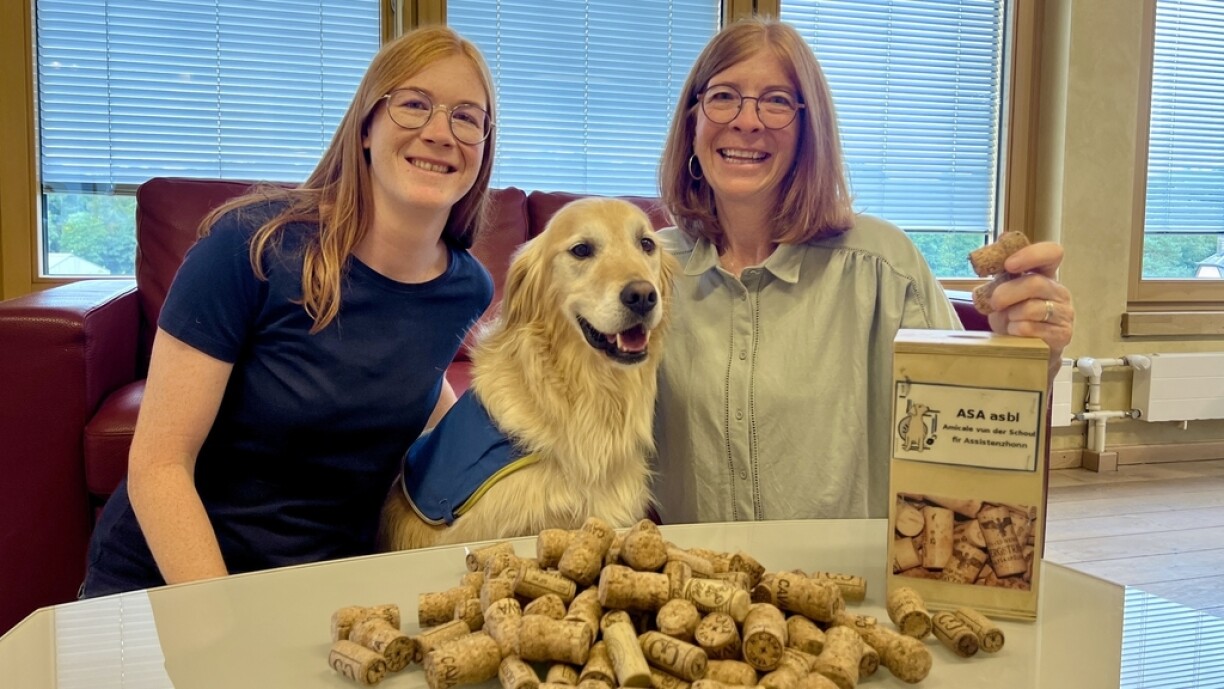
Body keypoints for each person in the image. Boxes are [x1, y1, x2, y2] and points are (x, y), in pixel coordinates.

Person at [80, 26, 498, 597]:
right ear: (367, 126)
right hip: (176, 585)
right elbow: (158, 465)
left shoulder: (465, 286)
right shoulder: (251, 245)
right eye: (414, 104)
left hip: (324, 591)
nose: (439, 132)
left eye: (467, 117)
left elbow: (414, 377)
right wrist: (224, 621)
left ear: (484, 146)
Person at [651, 17, 1074, 524]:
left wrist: (1030, 353)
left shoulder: (883, 265)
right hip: (693, 590)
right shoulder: (644, 274)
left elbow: (973, 424)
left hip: (846, 587)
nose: (747, 120)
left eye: (778, 101)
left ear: (811, 132)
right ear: (693, 121)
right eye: (723, 96)